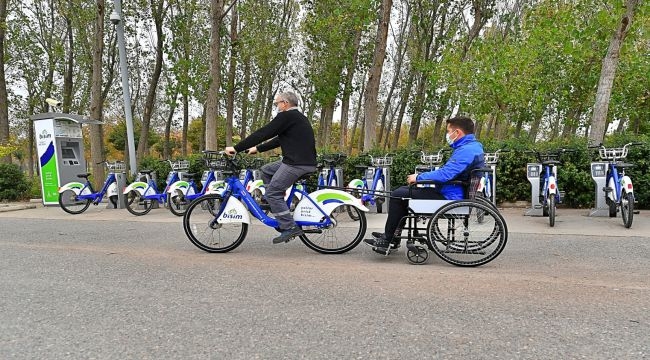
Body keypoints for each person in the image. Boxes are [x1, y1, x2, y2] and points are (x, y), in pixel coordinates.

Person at [364, 116, 485, 253]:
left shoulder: (466, 150)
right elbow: (450, 172)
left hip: (449, 198)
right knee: (403, 193)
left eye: (448, 131)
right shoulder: (473, 147)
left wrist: (419, 177)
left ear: (457, 132)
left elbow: (446, 174)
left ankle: (388, 239)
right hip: (452, 192)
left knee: (398, 195)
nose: (448, 135)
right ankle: (392, 236)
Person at [225, 91, 317, 244]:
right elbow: (278, 139)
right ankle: (270, 201)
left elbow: (264, 132)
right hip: (300, 161)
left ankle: (288, 226)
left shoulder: (287, 116)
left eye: (277, 103)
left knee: (274, 191)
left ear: (285, 103)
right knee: (266, 170)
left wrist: (236, 148)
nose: (277, 106)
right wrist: (257, 149)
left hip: (297, 164)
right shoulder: (297, 118)